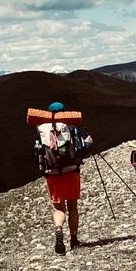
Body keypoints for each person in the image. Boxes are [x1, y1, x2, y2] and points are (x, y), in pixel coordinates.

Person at [29, 101, 94, 255]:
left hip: (52, 174)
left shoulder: (41, 130)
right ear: (64, 112)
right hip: (71, 172)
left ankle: (59, 229)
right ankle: (73, 239)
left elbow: (38, 152)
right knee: (73, 207)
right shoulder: (71, 128)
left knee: (59, 209)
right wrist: (89, 142)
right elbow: (81, 149)